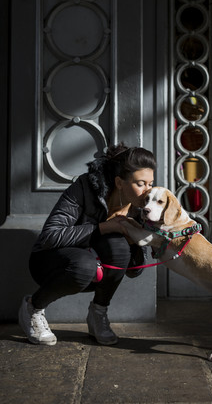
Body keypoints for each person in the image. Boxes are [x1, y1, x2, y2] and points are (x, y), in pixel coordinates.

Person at [18, 143, 156, 346]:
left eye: (151, 184)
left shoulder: (139, 207)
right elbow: (50, 236)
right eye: (141, 183)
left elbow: (133, 270)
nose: (147, 191)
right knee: (84, 266)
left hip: (93, 262)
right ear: (119, 182)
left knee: (118, 248)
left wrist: (135, 241)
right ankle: (33, 307)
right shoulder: (84, 187)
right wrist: (103, 227)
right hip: (51, 260)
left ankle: (98, 313)